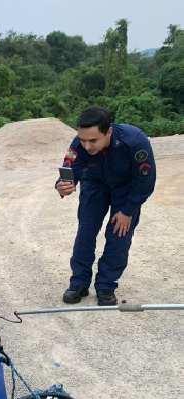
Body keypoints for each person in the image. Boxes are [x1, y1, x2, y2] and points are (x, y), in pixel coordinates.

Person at [57, 106, 156, 306]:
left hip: (125, 189)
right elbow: (69, 169)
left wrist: (128, 211)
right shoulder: (79, 144)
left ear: (108, 132)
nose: (86, 146)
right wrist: (63, 185)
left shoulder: (135, 141)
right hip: (95, 184)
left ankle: (106, 285)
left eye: (93, 140)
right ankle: (79, 283)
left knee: (119, 234)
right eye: (83, 139)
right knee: (86, 232)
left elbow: (145, 181)